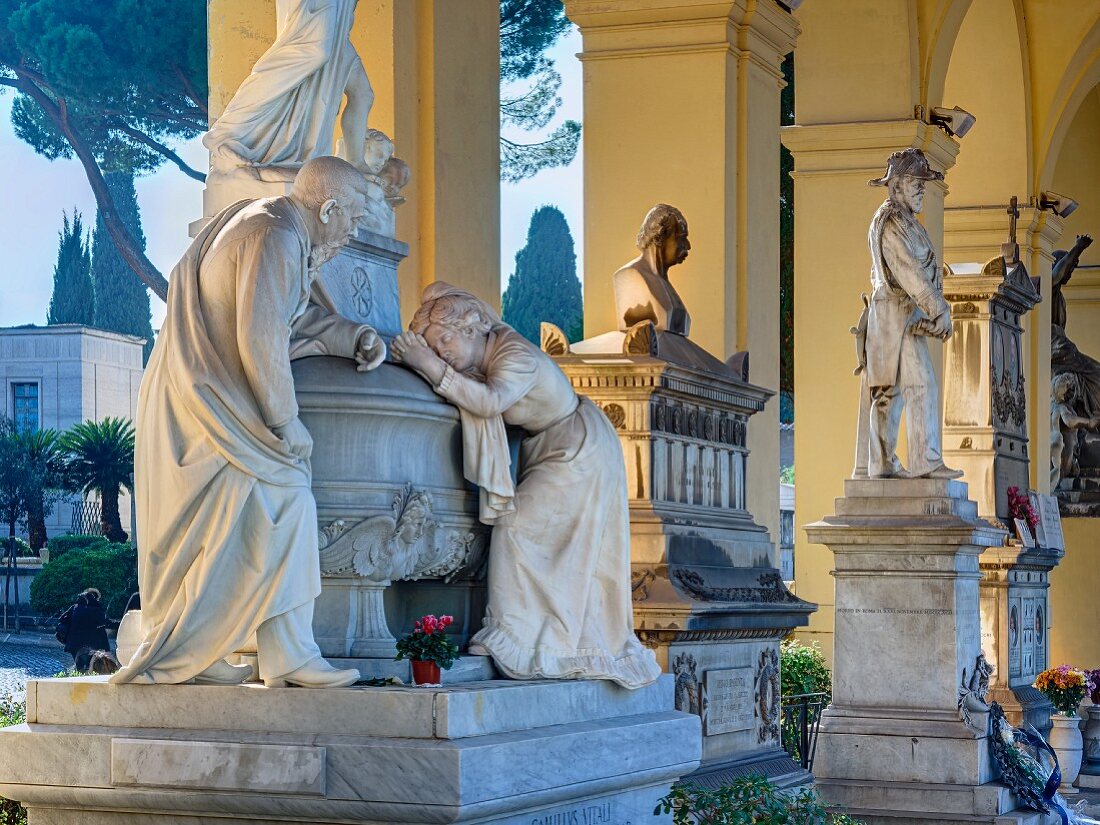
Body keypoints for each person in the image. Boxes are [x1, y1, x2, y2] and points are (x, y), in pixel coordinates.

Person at [111, 156, 386, 688]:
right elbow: (260, 338)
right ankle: (286, 655)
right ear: (327, 208)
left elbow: (284, 313)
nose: (352, 232)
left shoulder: (269, 225)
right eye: (351, 219)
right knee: (289, 496)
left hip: (196, 398)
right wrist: (287, 421)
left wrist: (349, 335)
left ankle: (202, 650)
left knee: (216, 530)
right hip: (208, 406)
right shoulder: (276, 236)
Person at [391, 283, 661, 690]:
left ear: (471, 327)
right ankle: (544, 637)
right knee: (561, 550)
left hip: (576, 449)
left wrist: (425, 365)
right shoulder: (489, 354)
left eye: (444, 340)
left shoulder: (513, 355)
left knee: (518, 528)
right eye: (433, 347)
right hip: (556, 444)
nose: (441, 352)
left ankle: (517, 639)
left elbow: (487, 402)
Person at [860, 148, 961, 480]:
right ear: (897, 185)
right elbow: (909, 272)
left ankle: (889, 464)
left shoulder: (906, 222)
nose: (922, 190)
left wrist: (933, 311)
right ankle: (921, 462)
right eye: (916, 183)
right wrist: (938, 309)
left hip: (908, 317)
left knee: (899, 391)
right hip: (894, 317)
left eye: (923, 184)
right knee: (914, 386)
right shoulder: (890, 223)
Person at [203, 0, 374, 180]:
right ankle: (226, 132)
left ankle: (356, 163)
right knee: (312, 51)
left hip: (340, 23)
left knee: (363, 94)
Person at [613, 204, 692, 336]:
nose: (688, 246)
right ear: (660, 238)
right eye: (681, 238)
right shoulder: (629, 275)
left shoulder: (663, 281)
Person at [62, 588, 110, 665]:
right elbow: (104, 622)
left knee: (78, 664)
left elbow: (62, 619)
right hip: (91, 644)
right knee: (89, 665)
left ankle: (77, 674)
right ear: (95, 598)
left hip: (74, 643)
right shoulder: (97, 609)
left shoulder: (75, 607)